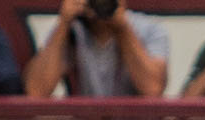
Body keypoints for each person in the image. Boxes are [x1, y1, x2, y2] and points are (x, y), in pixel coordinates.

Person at [24, 0, 168, 97]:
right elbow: (36, 91)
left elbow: (153, 89)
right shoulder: (72, 30)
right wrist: (63, 23)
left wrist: (122, 28)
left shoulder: (150, 29)